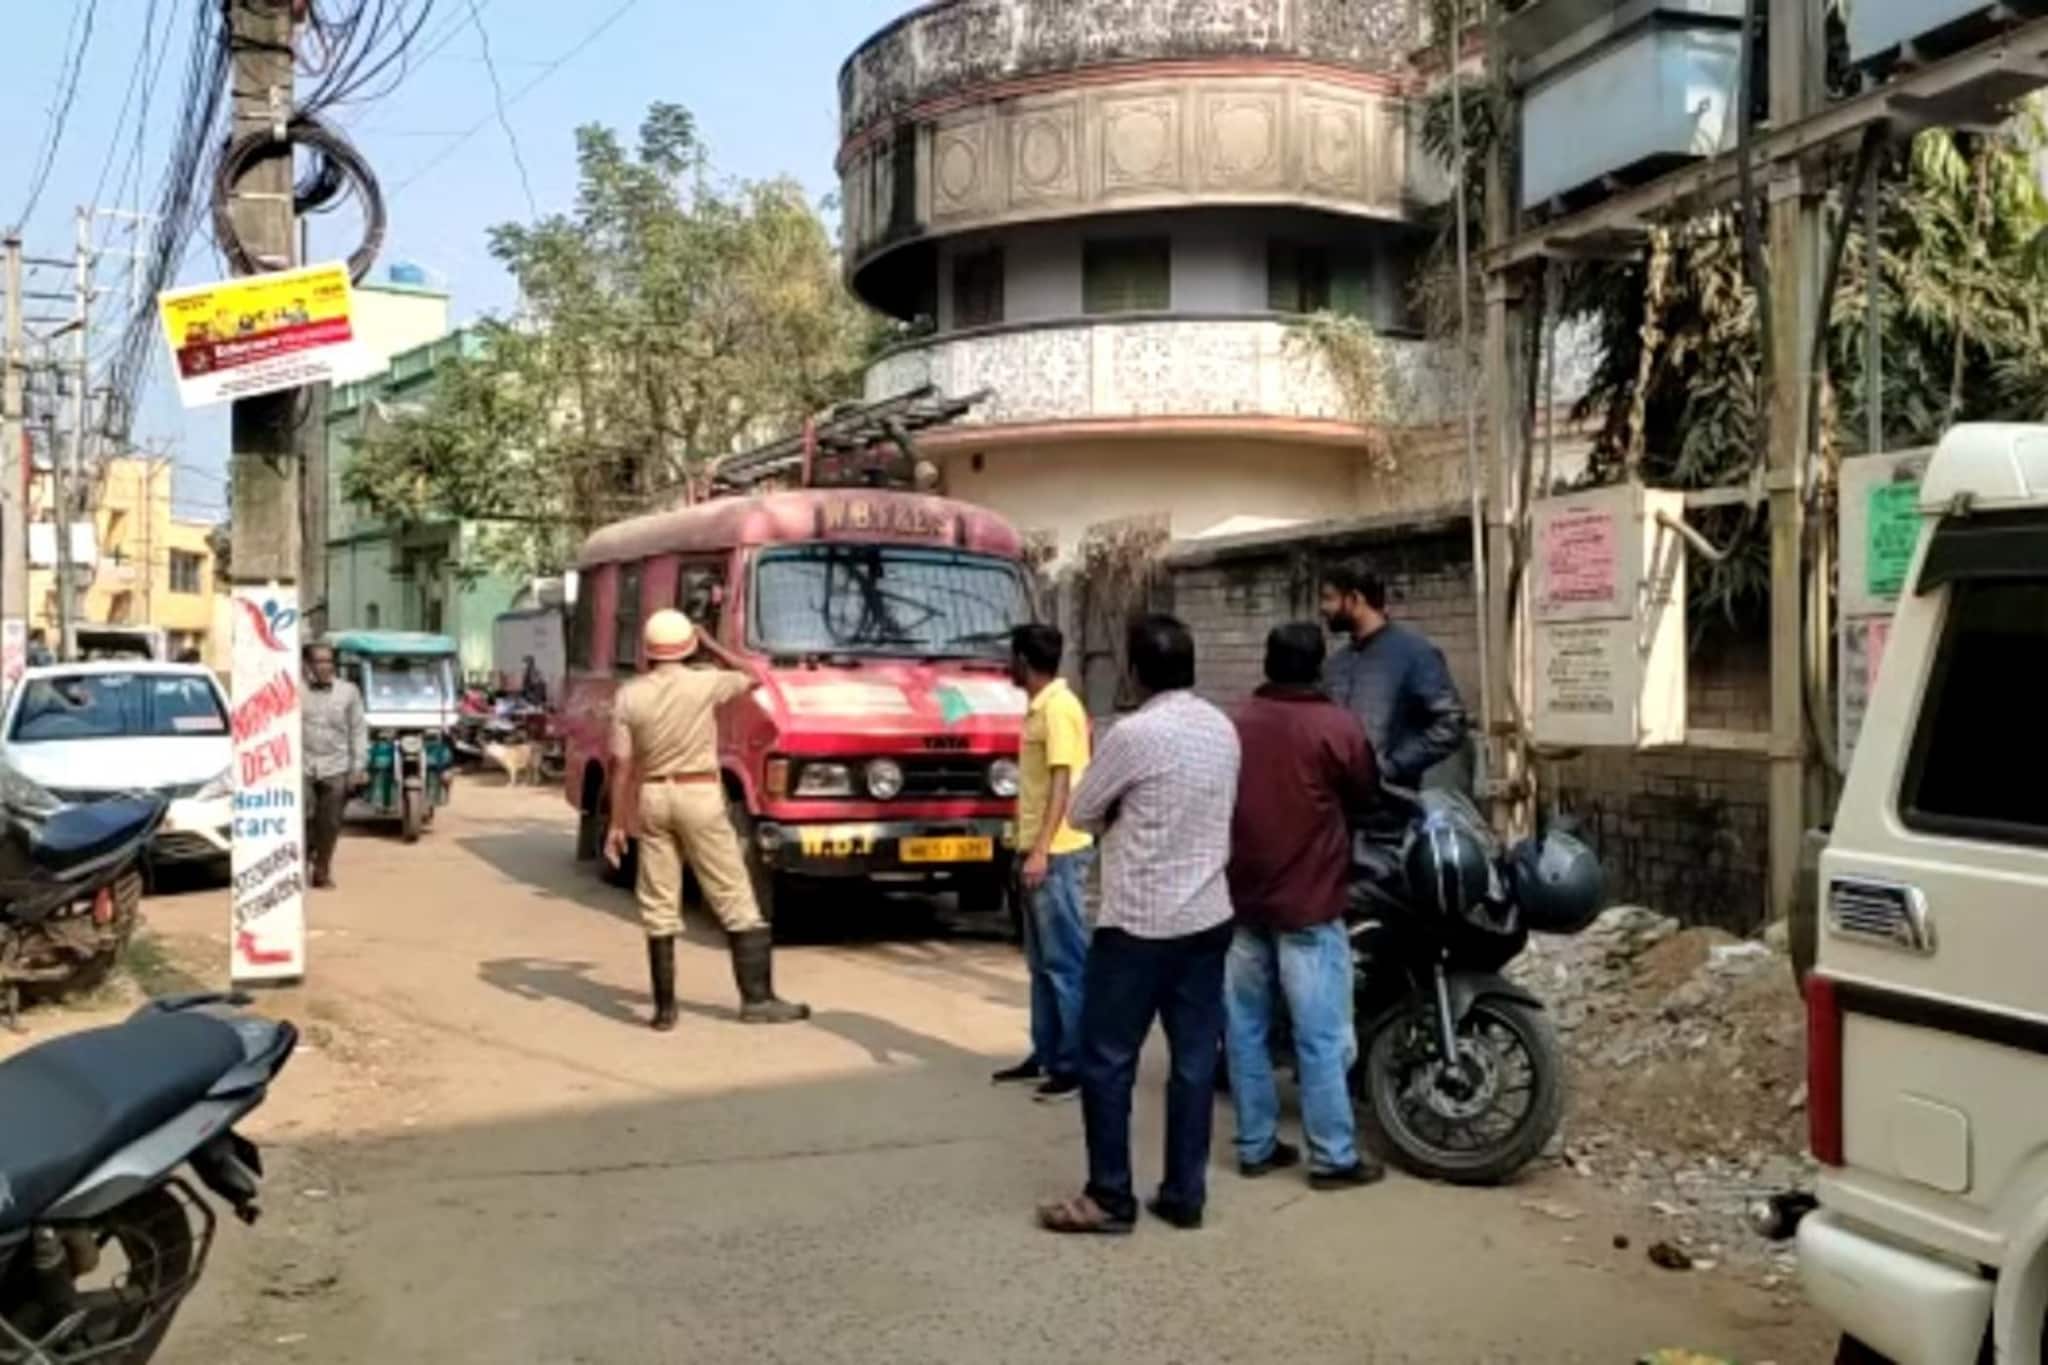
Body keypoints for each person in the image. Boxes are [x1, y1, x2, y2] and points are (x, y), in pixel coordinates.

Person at [1037, 615, 1240, 1235]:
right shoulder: (1222, 728)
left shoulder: (1133, 734)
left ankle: (1109, 1196)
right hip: (1206, 917)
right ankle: (1184, 1193)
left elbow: (1082, 809)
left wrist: (1125, 810)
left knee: (1107, 1060)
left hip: (1138, 925)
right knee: (1194, 1061)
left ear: (1136, 672)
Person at [1223, 623, 1384, 1190]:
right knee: (1320, 1035)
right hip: (1310, 905)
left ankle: (1255, 1145)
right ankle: (1333, 1156)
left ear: (1267, 664)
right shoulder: (1336, 727)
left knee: (1245, 1029)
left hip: (1242, 900)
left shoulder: (1236, 724)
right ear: (1319, 668)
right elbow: (1367, 796)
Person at [605, 609, 809, 1029]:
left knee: (659, 901)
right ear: (688, 646)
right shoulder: (705, 682)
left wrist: (616, 823)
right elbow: (755, 676)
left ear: (648, 651)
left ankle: (665, 1010)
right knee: (734, 894)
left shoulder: (629, 695)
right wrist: (711, 644)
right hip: (698, 793)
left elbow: (620, 764)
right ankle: (757, 1000)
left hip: (653, 795)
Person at [991, 624, 1092, 1103]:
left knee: (1064, 963)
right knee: (1040, 962)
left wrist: (1041, 850)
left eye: (1011, 657)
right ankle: (1047, 1052)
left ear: (1025, 661)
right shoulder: (1039, 708)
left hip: (1058, 853)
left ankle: (1074, 1065)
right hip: (1035, 847)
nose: (1007, 665)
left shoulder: (1058, 709)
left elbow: (1062, 783)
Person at [1319, 560, 1469, 792]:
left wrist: (1393, 766)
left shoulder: (1414, 652)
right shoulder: (1336, 663)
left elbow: (1450, 723)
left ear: (1356, 599)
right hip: (1340, 804)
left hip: (1393, 804)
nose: (1323, 608)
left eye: (1329, 598)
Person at [301, 641, 367, 890]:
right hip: (303, 767)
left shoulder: (349, 692)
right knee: (305, 819)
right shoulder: (295, 691)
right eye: (319, 661)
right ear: (307, 664)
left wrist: (357, 767)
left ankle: (322, 869)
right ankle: (301, 862)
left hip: (336, 767)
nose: (325, 666)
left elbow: (358, 731)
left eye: (329, 661)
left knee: (329, 823)